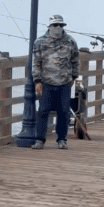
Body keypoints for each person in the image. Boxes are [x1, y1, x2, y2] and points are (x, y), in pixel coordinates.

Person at [31, 14, 80, 149]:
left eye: (60, 25)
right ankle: (39, 140)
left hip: (64, 82)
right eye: (55, 25)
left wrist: (73, 77)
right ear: (50, 26)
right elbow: (36, 63)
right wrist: (37, 81)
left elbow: (76, 60)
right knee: (43, 111)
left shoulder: (71, 41)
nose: (58, 27)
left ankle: (62, 139)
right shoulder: (39, 42)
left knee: (64, 111)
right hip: (46, 82)